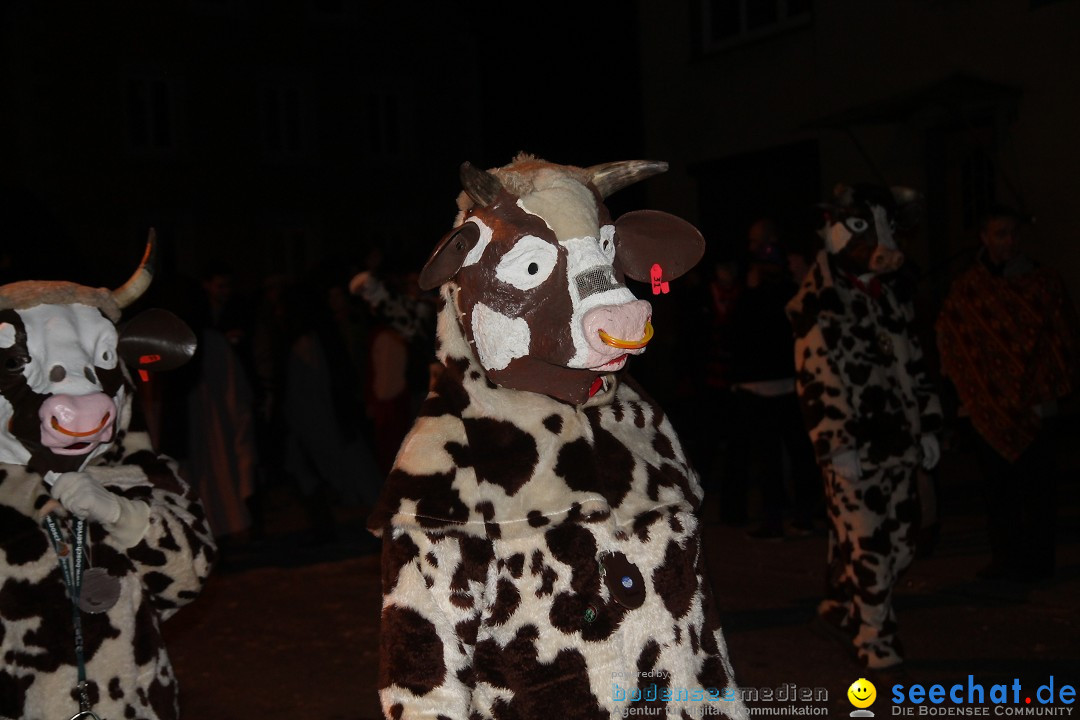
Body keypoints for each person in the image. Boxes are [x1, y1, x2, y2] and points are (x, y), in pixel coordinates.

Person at [786, 184, 942, 670]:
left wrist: (930, 424)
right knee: (868, 539)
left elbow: (915, 361)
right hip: (855, 449)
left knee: (899, 539)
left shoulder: (888, 298)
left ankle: (840, 606)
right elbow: (819, 377)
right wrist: (836, 445)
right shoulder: (820, 303)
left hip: (900, 442)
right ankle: (874, 636)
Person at [935, 204, 1079, 582]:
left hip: (1037, 406)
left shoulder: (1043, 282)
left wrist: (1043, 385)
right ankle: (1005, 560)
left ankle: (1039, 562)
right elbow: (952, 341)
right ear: (984, 238)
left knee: (1040, 491)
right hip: (985, 407)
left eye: (1014, 233)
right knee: (999, 492)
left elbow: (1062, 337)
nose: (1009, 241)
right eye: (1000, 233)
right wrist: (971, 389)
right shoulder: (968, 288)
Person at [725, 220, 820, 539]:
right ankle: (776, 519)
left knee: (797, 454)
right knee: (771, 460)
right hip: (759, 385)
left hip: (789, 382)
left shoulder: (793, 291)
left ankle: (802, 515)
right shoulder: (751, 292)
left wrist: (800, 278)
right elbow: (736, 332)